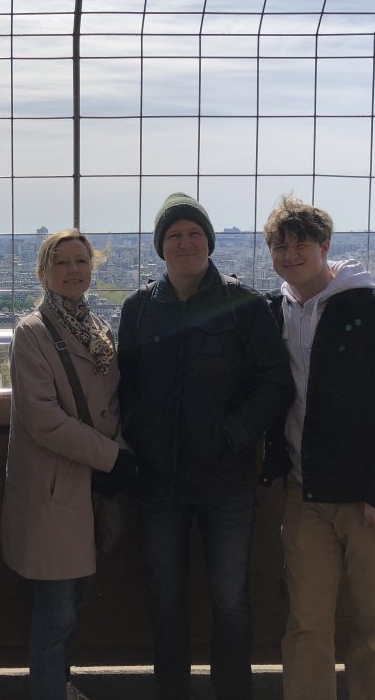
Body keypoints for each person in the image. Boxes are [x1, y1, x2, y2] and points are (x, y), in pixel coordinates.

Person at [117, 193, 293, 700]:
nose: (185, 242)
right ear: (160, 247)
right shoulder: (138, 308)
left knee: (230, 599)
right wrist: (142, 432)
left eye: (194, 233)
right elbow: (125, 385)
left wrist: (234, 433)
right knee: (165, 600)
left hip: (225, 481)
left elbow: (274, 383)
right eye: (174, 235)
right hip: (159, 482)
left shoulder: (246, 305)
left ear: (210, 242)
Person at [260, 196, 375, 700]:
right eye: (280, 246)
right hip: (306, 493)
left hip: (369, 500)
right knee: (306, 624)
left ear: (325, 247)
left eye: (300, 244)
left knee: (373, 628)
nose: (290, 255)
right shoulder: (274, 312)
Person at [1, 229, 137, 700]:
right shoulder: (31, 332)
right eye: (62, 262)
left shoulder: (97, 329)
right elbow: (43, 419)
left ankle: (55, 685)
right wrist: (115, 456)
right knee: (57, 610)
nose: (74, 270)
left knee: (72, 604)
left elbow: (112, 403)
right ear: (44, 273)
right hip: (57, 491)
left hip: (85, 490)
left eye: (81, 261)